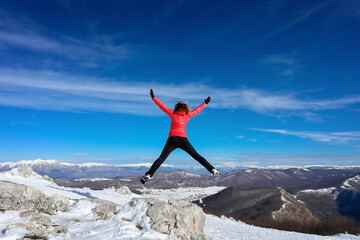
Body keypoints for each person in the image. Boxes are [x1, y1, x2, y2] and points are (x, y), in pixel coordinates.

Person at [140, 89, 220, 184]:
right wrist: (205, 103)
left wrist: (153, 97)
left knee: (162, 158)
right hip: (183, 140)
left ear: (176, 108)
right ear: (185, 109)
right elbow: (197, 111)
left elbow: (161, 106)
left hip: (172, 140)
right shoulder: (187, 115)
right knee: (196, 156)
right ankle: (212, 169)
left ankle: (149, 175)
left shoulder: (172, 114)